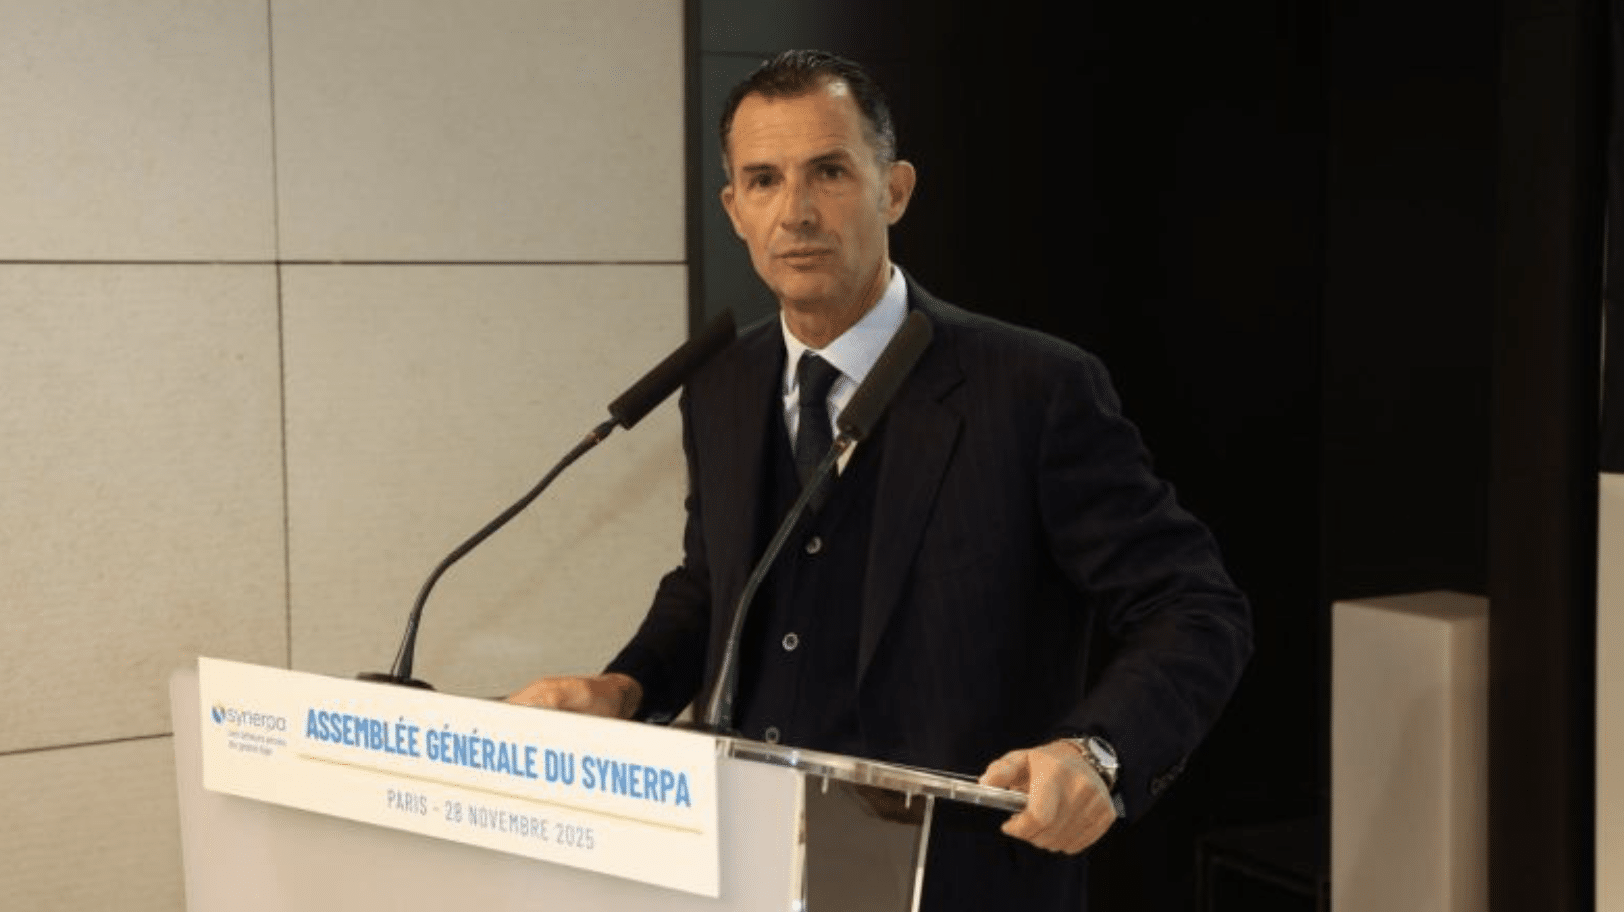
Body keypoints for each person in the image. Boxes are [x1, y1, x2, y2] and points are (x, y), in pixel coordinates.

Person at [509, 49, 1252, 909]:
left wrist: (1098, 753)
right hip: (741, 866)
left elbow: (1194, 608)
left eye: (829, 172)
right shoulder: (720, 383)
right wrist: (626, 686)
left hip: (961, 881)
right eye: (763, 181)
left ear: (893, 190)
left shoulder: (1034, 389)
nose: (796, 212)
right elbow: (715, 585)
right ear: (734, 210)